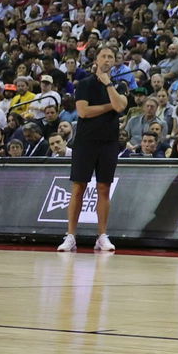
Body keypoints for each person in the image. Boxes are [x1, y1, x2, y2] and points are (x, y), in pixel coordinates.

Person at [57, 45, 126, 253]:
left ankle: (102, 236)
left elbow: (121, 106)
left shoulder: (119, 85)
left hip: (109, 142)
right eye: (103, 56)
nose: (107, 59)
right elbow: (83, 112)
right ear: (96, 60)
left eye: (111, 57)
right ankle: (70, 236)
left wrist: (108, 85)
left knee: (104, 188)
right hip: (85, 142)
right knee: (78, 188)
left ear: (114, 62)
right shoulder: (85, 84)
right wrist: (109, 107)